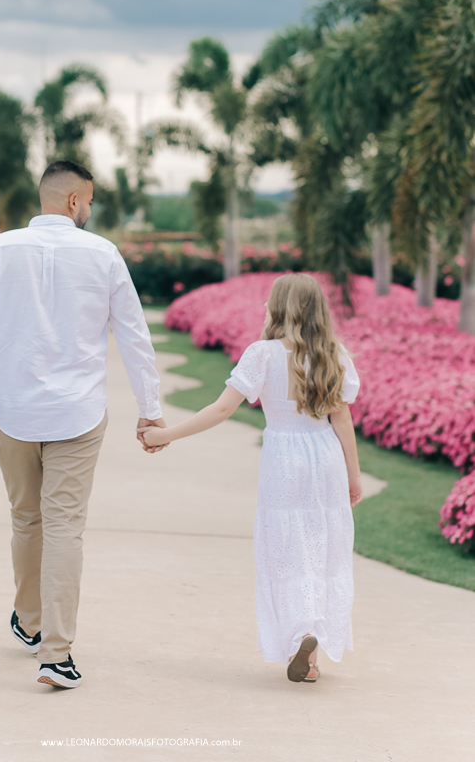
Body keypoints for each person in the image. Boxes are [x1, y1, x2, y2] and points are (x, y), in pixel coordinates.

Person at [0, 160, 166, 688]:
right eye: (88, 200)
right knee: (65, 526)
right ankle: (57, 654)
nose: (89, 209)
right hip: (78, 412)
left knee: (27, 519)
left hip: (15, 412)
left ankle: (30, 622)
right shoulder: (104, 254)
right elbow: (134, 336)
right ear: (74, 201)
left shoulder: (1, 249)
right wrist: (150, 406)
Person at [141, 272, 361, 684]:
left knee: (287, 550)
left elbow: (222, 409)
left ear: (279, 308)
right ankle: (311, 652)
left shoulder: (262, 354)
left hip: (284, 458)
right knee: (320, 549)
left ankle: (302, 633)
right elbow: (342, 418)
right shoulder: (336, 354)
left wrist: (166, 435)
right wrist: (354, 476)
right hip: (326, 457)